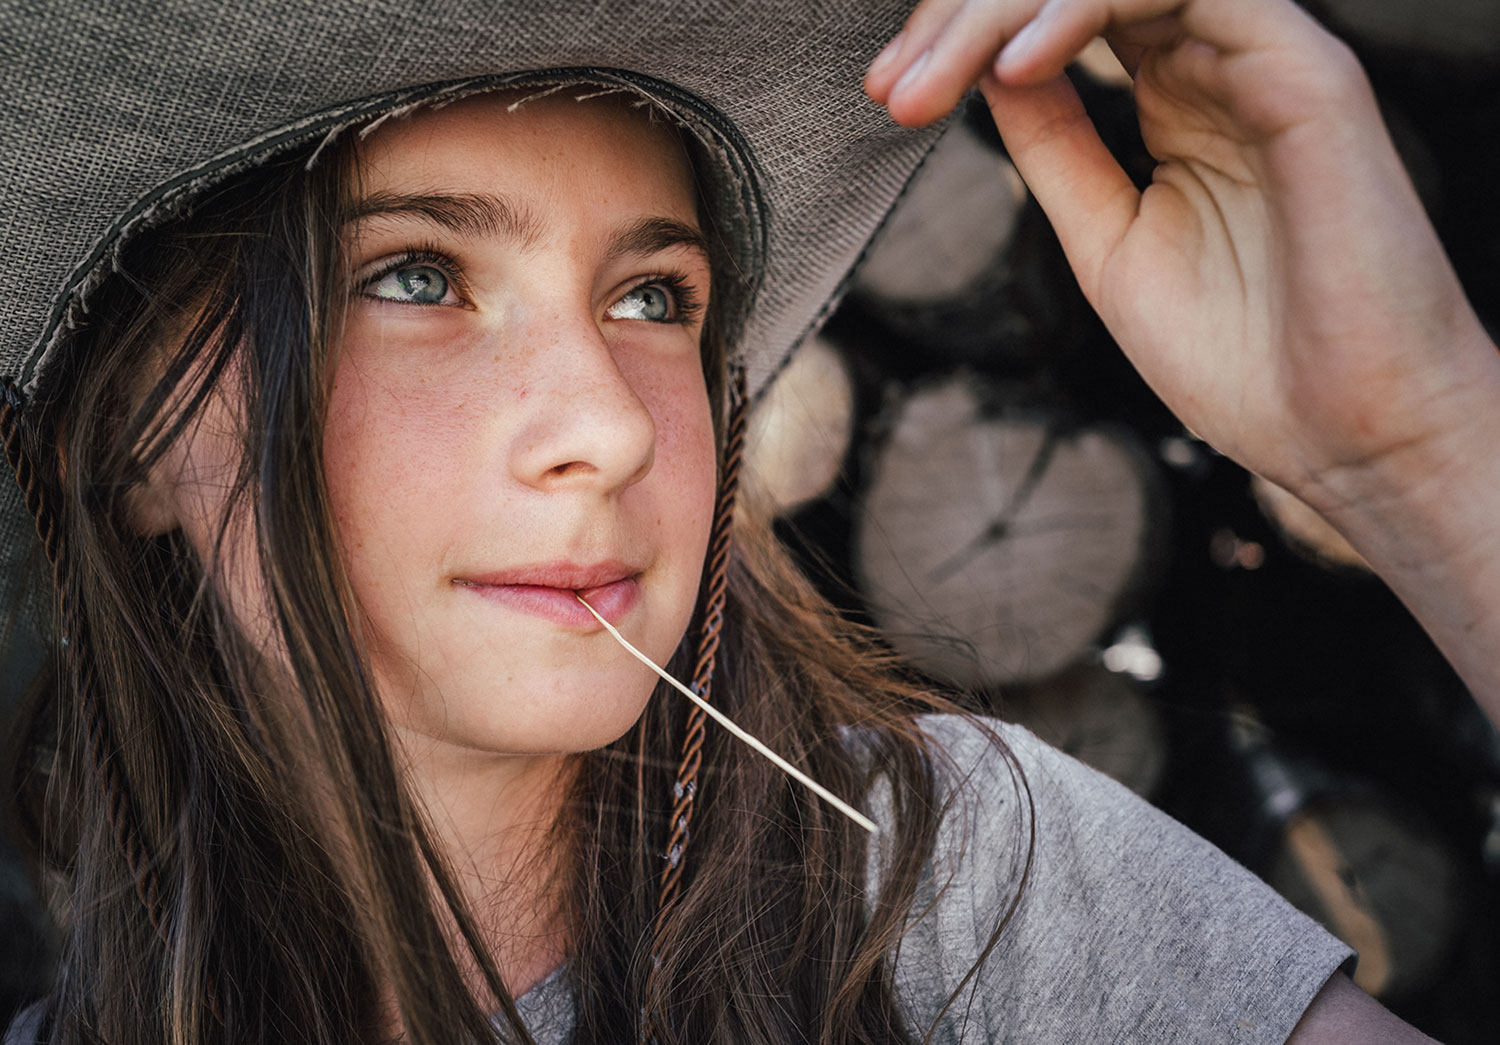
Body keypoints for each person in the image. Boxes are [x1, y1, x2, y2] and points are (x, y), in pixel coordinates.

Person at [0, 0, 1490, 1041]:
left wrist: (1417, 445)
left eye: (655, 297)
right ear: (131, 434)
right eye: (413, 277)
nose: (609, 422)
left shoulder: (946, 885)